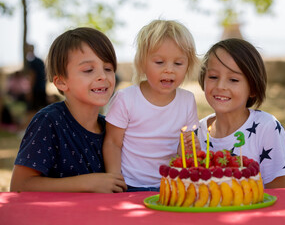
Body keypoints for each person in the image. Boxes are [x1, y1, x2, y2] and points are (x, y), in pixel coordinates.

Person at [10, 27, 127, 193]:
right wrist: (88, 183)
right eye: (88, 70)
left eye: (108, 68)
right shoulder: (49, 121)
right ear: (61, 82)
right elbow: (20, 185)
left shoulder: (111, 128)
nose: (103, 76)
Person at [103, 19, 200, 192]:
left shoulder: (187, 100)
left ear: (188, 66)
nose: (169, 69)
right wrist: (114, 179)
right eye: (159, 62)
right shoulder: (126, 98)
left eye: (178, 63)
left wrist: (188, 148)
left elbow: (183, 151)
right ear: (142, 63)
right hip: (130, 184)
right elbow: (112, 142)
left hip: (171, 184)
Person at [195, 38, 285, 188]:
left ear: (253, 88)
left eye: (233, 79)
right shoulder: (196, 133)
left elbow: (281, 193)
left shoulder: (266, 127)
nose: (221, 86)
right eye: (213, 77)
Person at [25, 43, 48, 112]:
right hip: (42, 88)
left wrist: (30, 91)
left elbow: (33, 76)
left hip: (36, 89)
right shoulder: (40, 61)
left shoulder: (32, 62)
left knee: (34, 110)